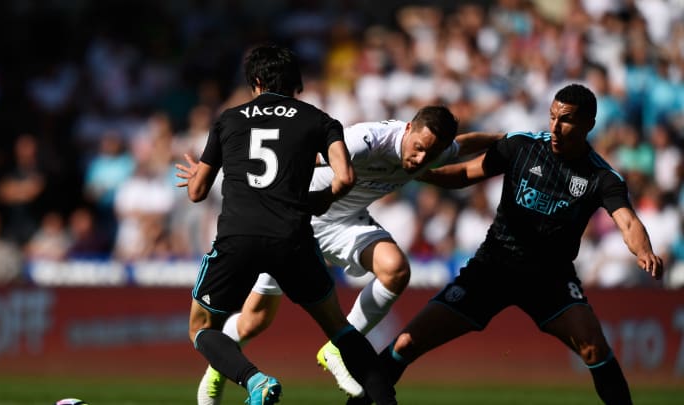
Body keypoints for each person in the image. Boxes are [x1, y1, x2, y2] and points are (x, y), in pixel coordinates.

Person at [348, 83, 664, 405]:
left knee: (594, 347)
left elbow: (627, 221)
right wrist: (416, 173)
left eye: (565, 120)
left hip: (549, 279)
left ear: (588, 125)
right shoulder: (522, 147)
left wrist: (644, 251)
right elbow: (463, 175)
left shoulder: (601, 176)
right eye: (552, 116)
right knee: (406, 344)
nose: (555, 126)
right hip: (491, 269)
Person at [197, 104, 504, 404]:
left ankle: (336, 348)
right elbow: (294, 155)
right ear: (408, 128)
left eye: (432, 154)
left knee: (396, 269)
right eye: (419, 147)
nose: (422, 158)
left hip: (346, 221)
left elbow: (462, 145)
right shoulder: (365, 141)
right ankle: (218, 365)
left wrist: (501, 139)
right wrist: (219, 167)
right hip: (299, 220)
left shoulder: (434, 148)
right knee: (255, 320)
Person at [175, 44, 397, 405]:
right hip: (292, 237)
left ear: (257, 81)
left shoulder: (228, 119)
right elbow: (345, 176)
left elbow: (198, 192)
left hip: (238, 236)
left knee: (201, 328)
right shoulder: (318, 119)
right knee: (338, 327)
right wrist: (320, 201)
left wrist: (197, 176)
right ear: (295, 82)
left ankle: (255, 381)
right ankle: (386, 401)